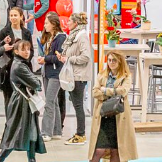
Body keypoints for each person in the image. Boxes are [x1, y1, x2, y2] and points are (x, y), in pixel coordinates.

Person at [0, 40, 46, 162]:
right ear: (16, 51)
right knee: (15, 133)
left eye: (28, 49)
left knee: (31, 131)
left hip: (24, 102)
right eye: (23, 49)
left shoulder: (21, 63)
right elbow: (37, 83)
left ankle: (31, 159)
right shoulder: (20, 66)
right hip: (21, 103)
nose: (27, 52)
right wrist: (35, 83)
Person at [89, 52, 138, 162]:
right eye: (109, 60)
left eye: (114, 60)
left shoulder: (126, 76)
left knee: (116, 151)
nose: (111, 63)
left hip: (118, 117)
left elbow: (123, 91)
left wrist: (104, 90)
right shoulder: (101, 75)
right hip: (102, 116)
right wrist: (114, 92)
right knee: (97, 151)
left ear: (120, 61)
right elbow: (94, 92)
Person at [58, 13, 95, 146]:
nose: (67, 23)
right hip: (74, 75)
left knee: (78, 105)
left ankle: (81, 134)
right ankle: (79, 133)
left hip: (79, 76)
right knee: (76, 104)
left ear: (75, 23)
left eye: (69, 21)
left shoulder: (81, 37)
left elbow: (85, 56)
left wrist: (69, 59)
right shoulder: (74, 36)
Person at [37, 13, 66, 142]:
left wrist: (45, 59)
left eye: (46, 23)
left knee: (49, 102)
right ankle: (56, 131)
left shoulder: (61, 38)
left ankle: (46, 132)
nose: (44, 26)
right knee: (53, 102)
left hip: (55, 74)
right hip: (47, 73)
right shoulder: (50, 37)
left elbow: (59, 57)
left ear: (53, 24)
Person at [0, 7, 33, 109]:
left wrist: (25, 59)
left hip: (24, 68)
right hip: (9, 69)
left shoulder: (26, 32)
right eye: (11, 16)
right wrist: (4, 45)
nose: (13, 18)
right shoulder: (4, 32)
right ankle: (9, 123)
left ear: (21, 17)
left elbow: (31, 51)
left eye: (15, 15)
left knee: (24, 97)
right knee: (9, 98)